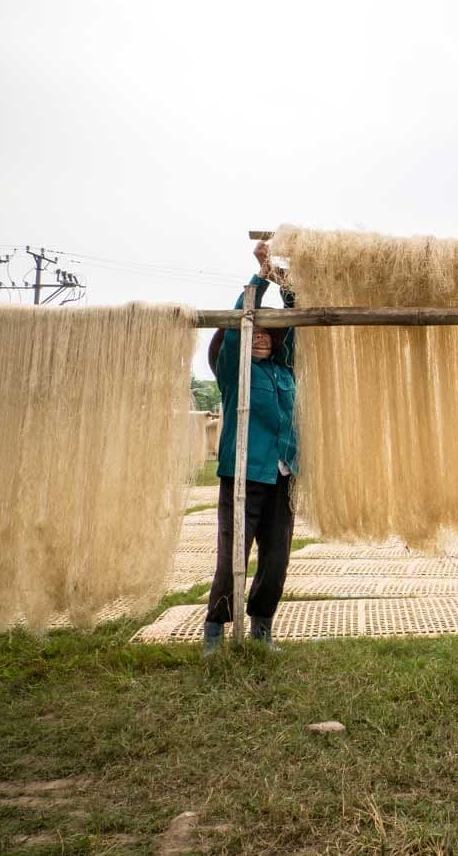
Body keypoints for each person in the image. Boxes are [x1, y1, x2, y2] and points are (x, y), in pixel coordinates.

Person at [203, 240, 298, 655]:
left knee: (276, 559)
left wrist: (283, 278)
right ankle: (214, 631)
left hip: (282, 474)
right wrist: (260, 276)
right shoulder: (234, 370)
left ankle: (262, 628)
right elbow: (238, 321)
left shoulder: (284, 371)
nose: (260, 337)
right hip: (243, 473)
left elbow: (297, 320)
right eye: (254, 331)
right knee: (233, 556)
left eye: (267, 333)